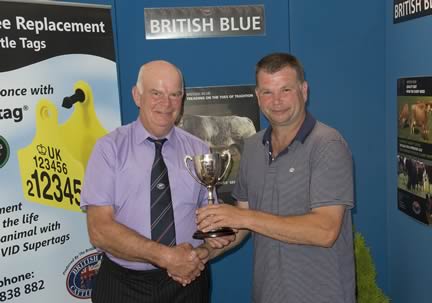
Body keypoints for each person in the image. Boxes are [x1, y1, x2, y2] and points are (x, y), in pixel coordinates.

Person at [196, 53, 356, 303]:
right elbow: (241, 226)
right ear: (258, 97)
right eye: (268, 92)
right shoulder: (252, 147)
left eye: (286, 90)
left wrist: (243, 217)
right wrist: (204, 252)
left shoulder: (328, 144)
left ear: (304, 90)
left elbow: (325, 231)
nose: (277, 101)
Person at [81, 60, 221, 303]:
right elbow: (99, 231)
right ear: (137, 96)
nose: (166, 104)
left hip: (187, 284)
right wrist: (167, 258)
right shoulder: (109, 149)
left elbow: (210, 223)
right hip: (123, 286)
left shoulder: (199, 150)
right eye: (156, 93)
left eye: (175, 95)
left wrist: (204, 250)